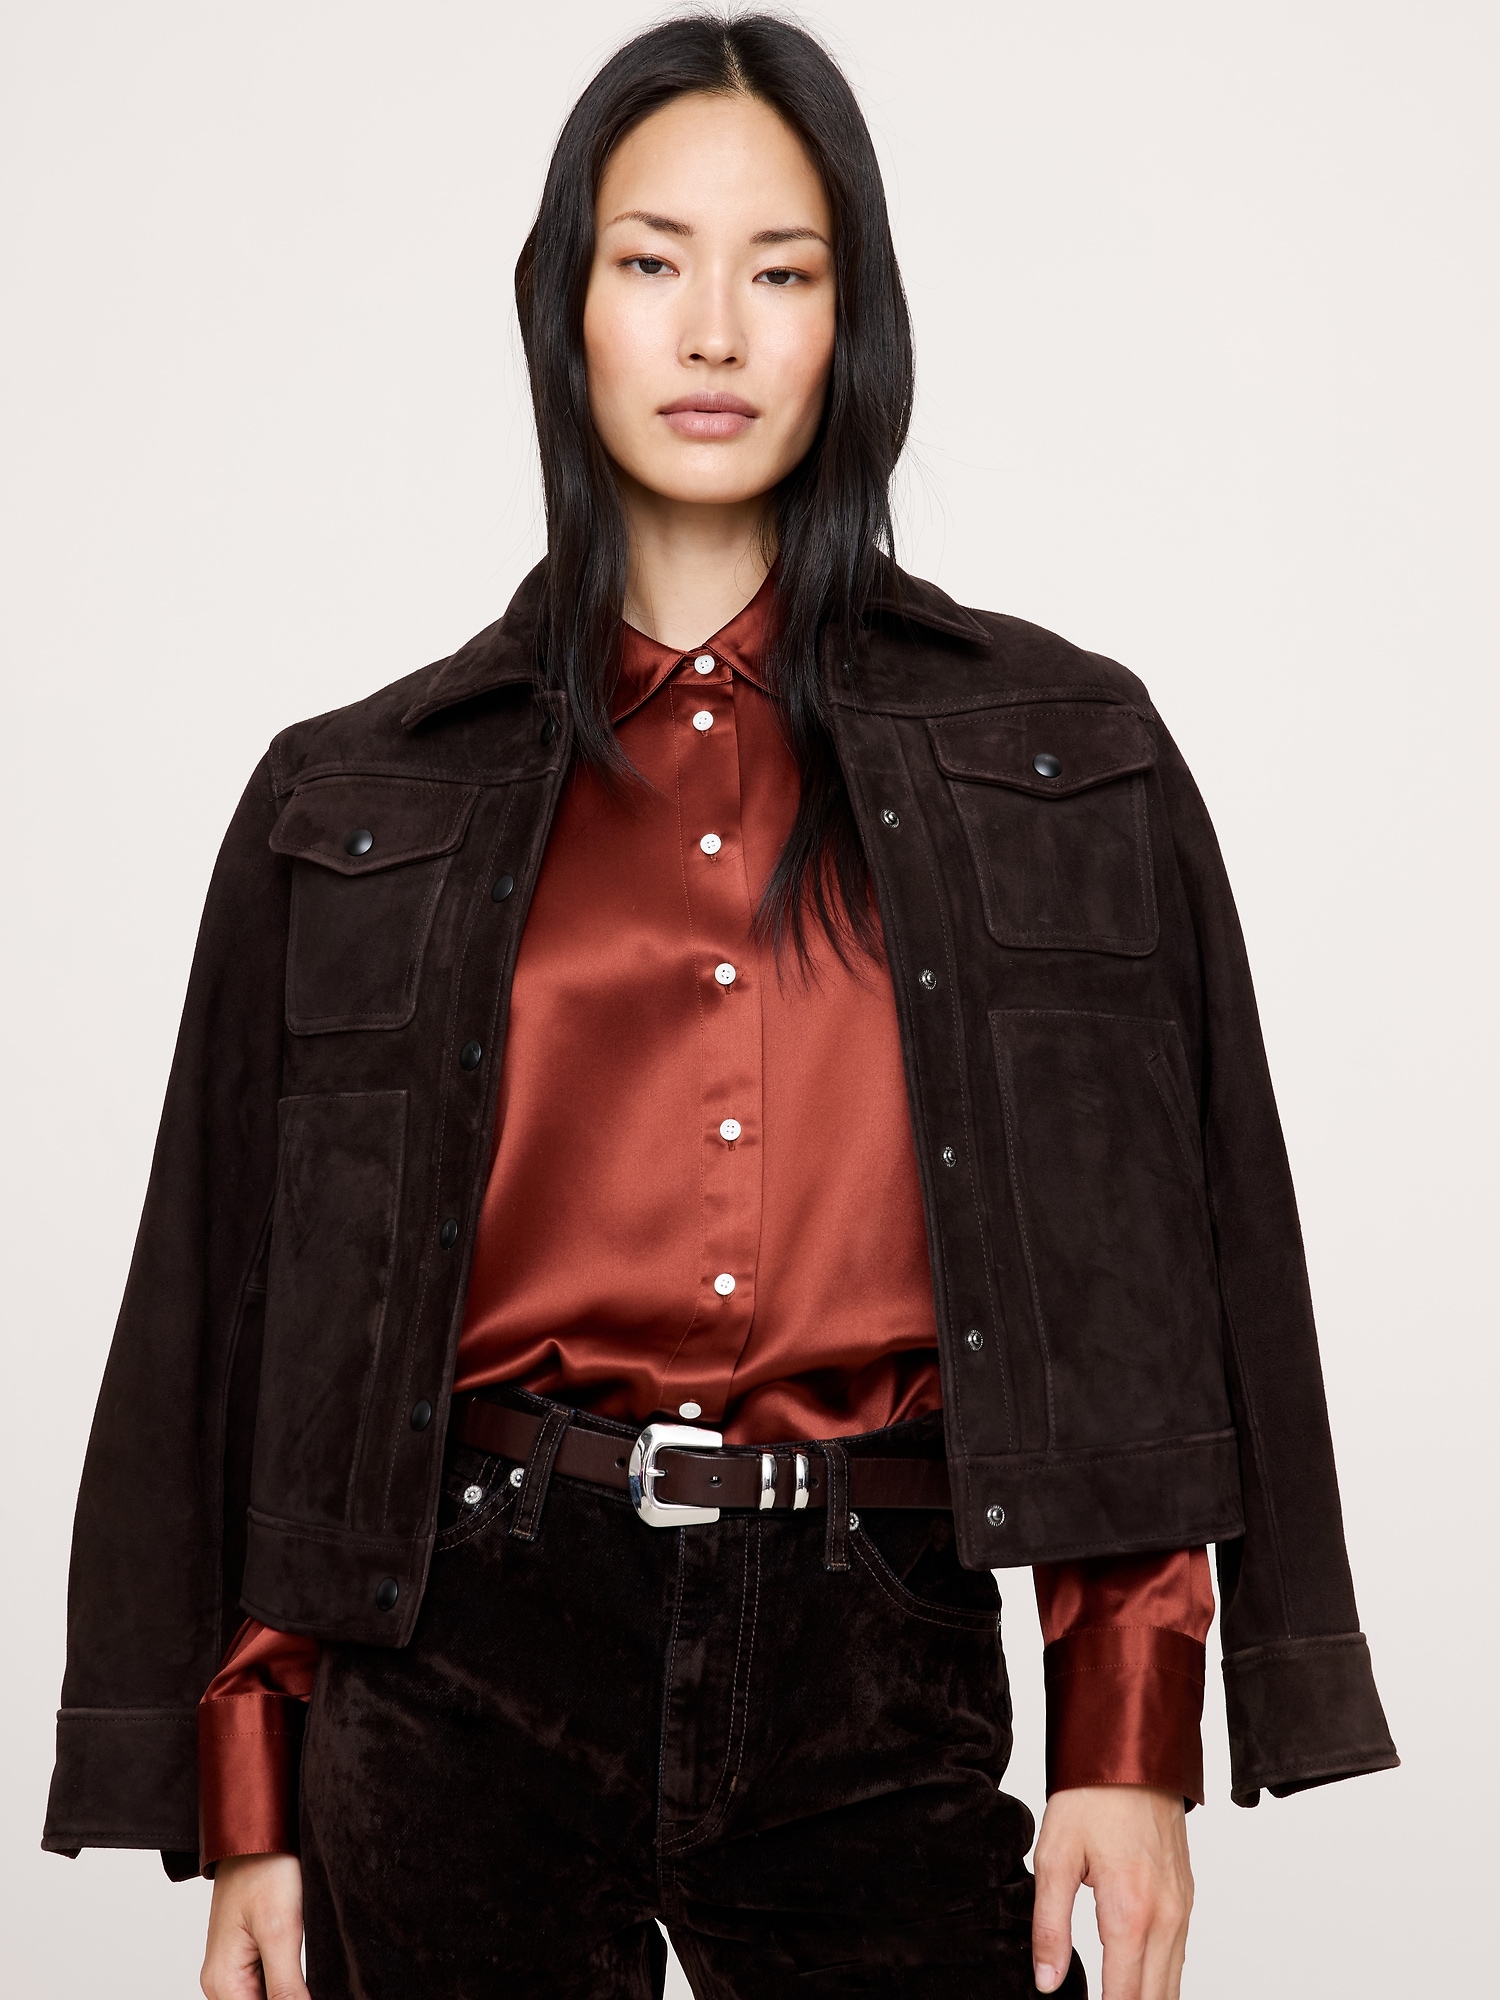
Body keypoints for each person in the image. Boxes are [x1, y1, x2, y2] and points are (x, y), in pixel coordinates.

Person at [42, 15, 1396, 1999]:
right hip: (460, 1649)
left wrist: (1129, 1738)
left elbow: (1160, 1264)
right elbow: (243, 1312)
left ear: (853, 323)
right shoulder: (355, 798)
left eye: (782, 272)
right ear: (566, 308)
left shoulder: (1058, 758)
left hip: (875, 1630)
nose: (713, 332)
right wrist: (247, 1788)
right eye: (652, 260)